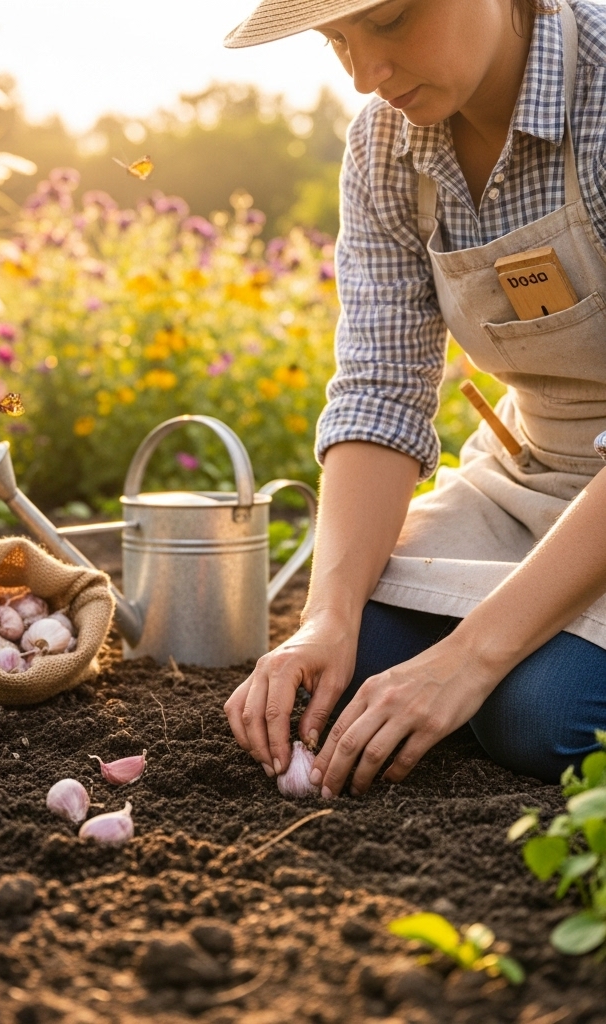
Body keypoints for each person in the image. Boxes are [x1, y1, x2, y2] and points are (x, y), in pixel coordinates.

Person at [221, 0, 606, 793]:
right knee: (343, 666)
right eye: (337, 40)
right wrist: (325, 617)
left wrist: (470, 657)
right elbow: (380, 389)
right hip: (535, 477)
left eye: (391, 21)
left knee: (544, 714)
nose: (365, 75)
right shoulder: (384, 144)